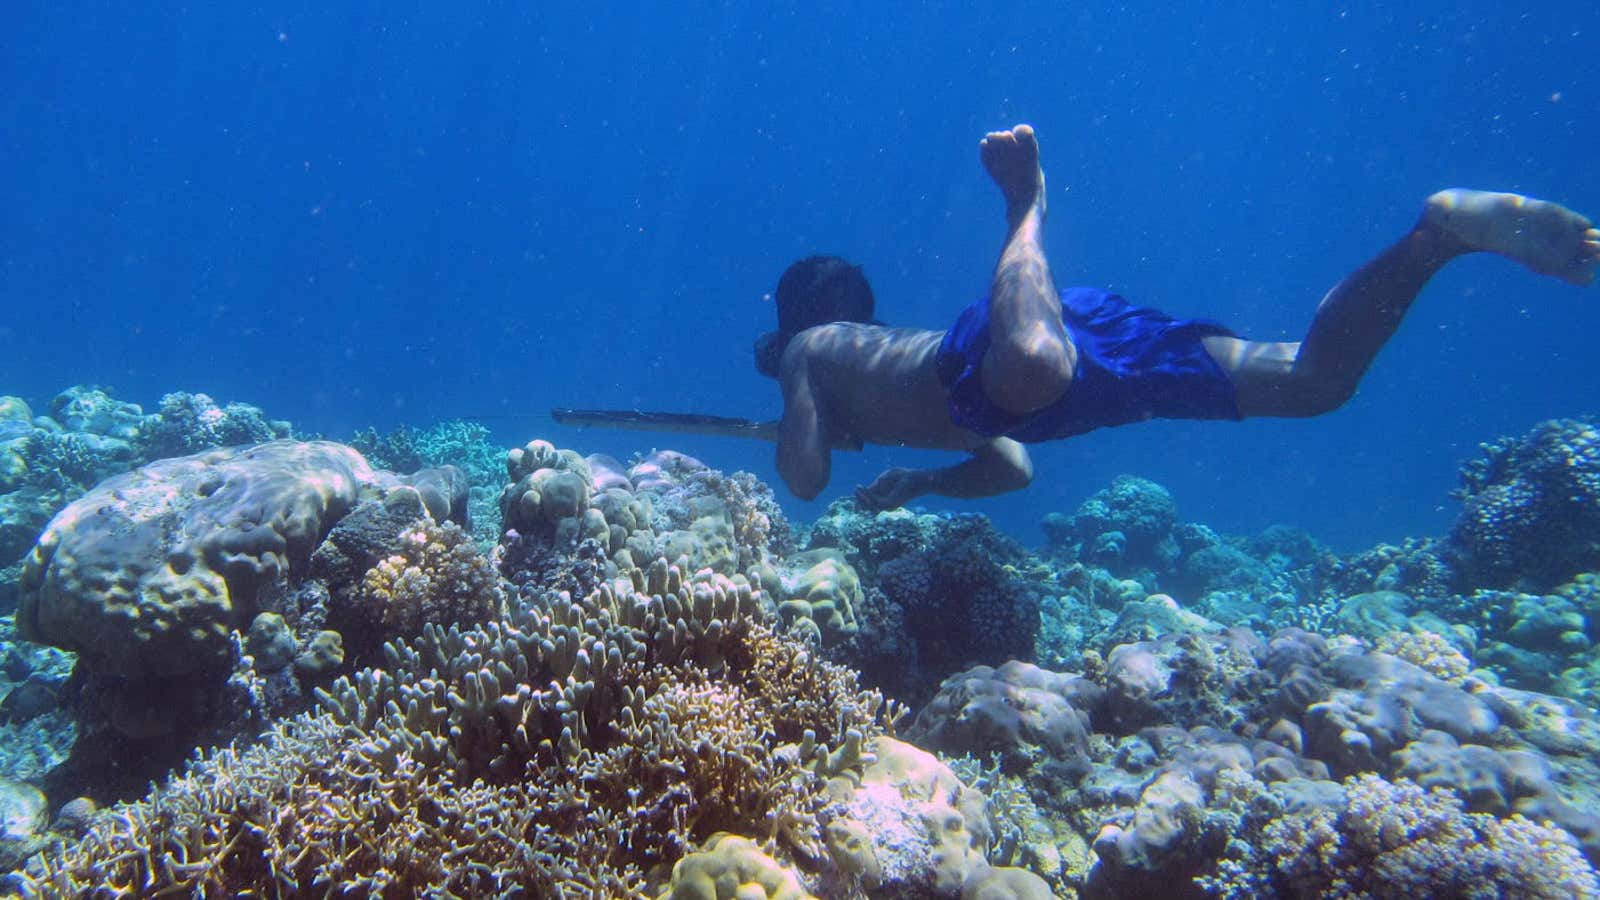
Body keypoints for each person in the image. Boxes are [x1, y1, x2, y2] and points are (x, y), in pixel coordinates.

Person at [755, 124, 1600, 511]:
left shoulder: (813, 349)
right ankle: (1435, 240)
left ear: (802, 318)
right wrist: (922, 483)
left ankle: (1026, 206)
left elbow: (804, 479)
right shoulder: (855, 351)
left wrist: (804, 410)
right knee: (1314, 381)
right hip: (1050, 368)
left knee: (1035, 367)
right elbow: (1013, 467)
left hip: (1003, 354)